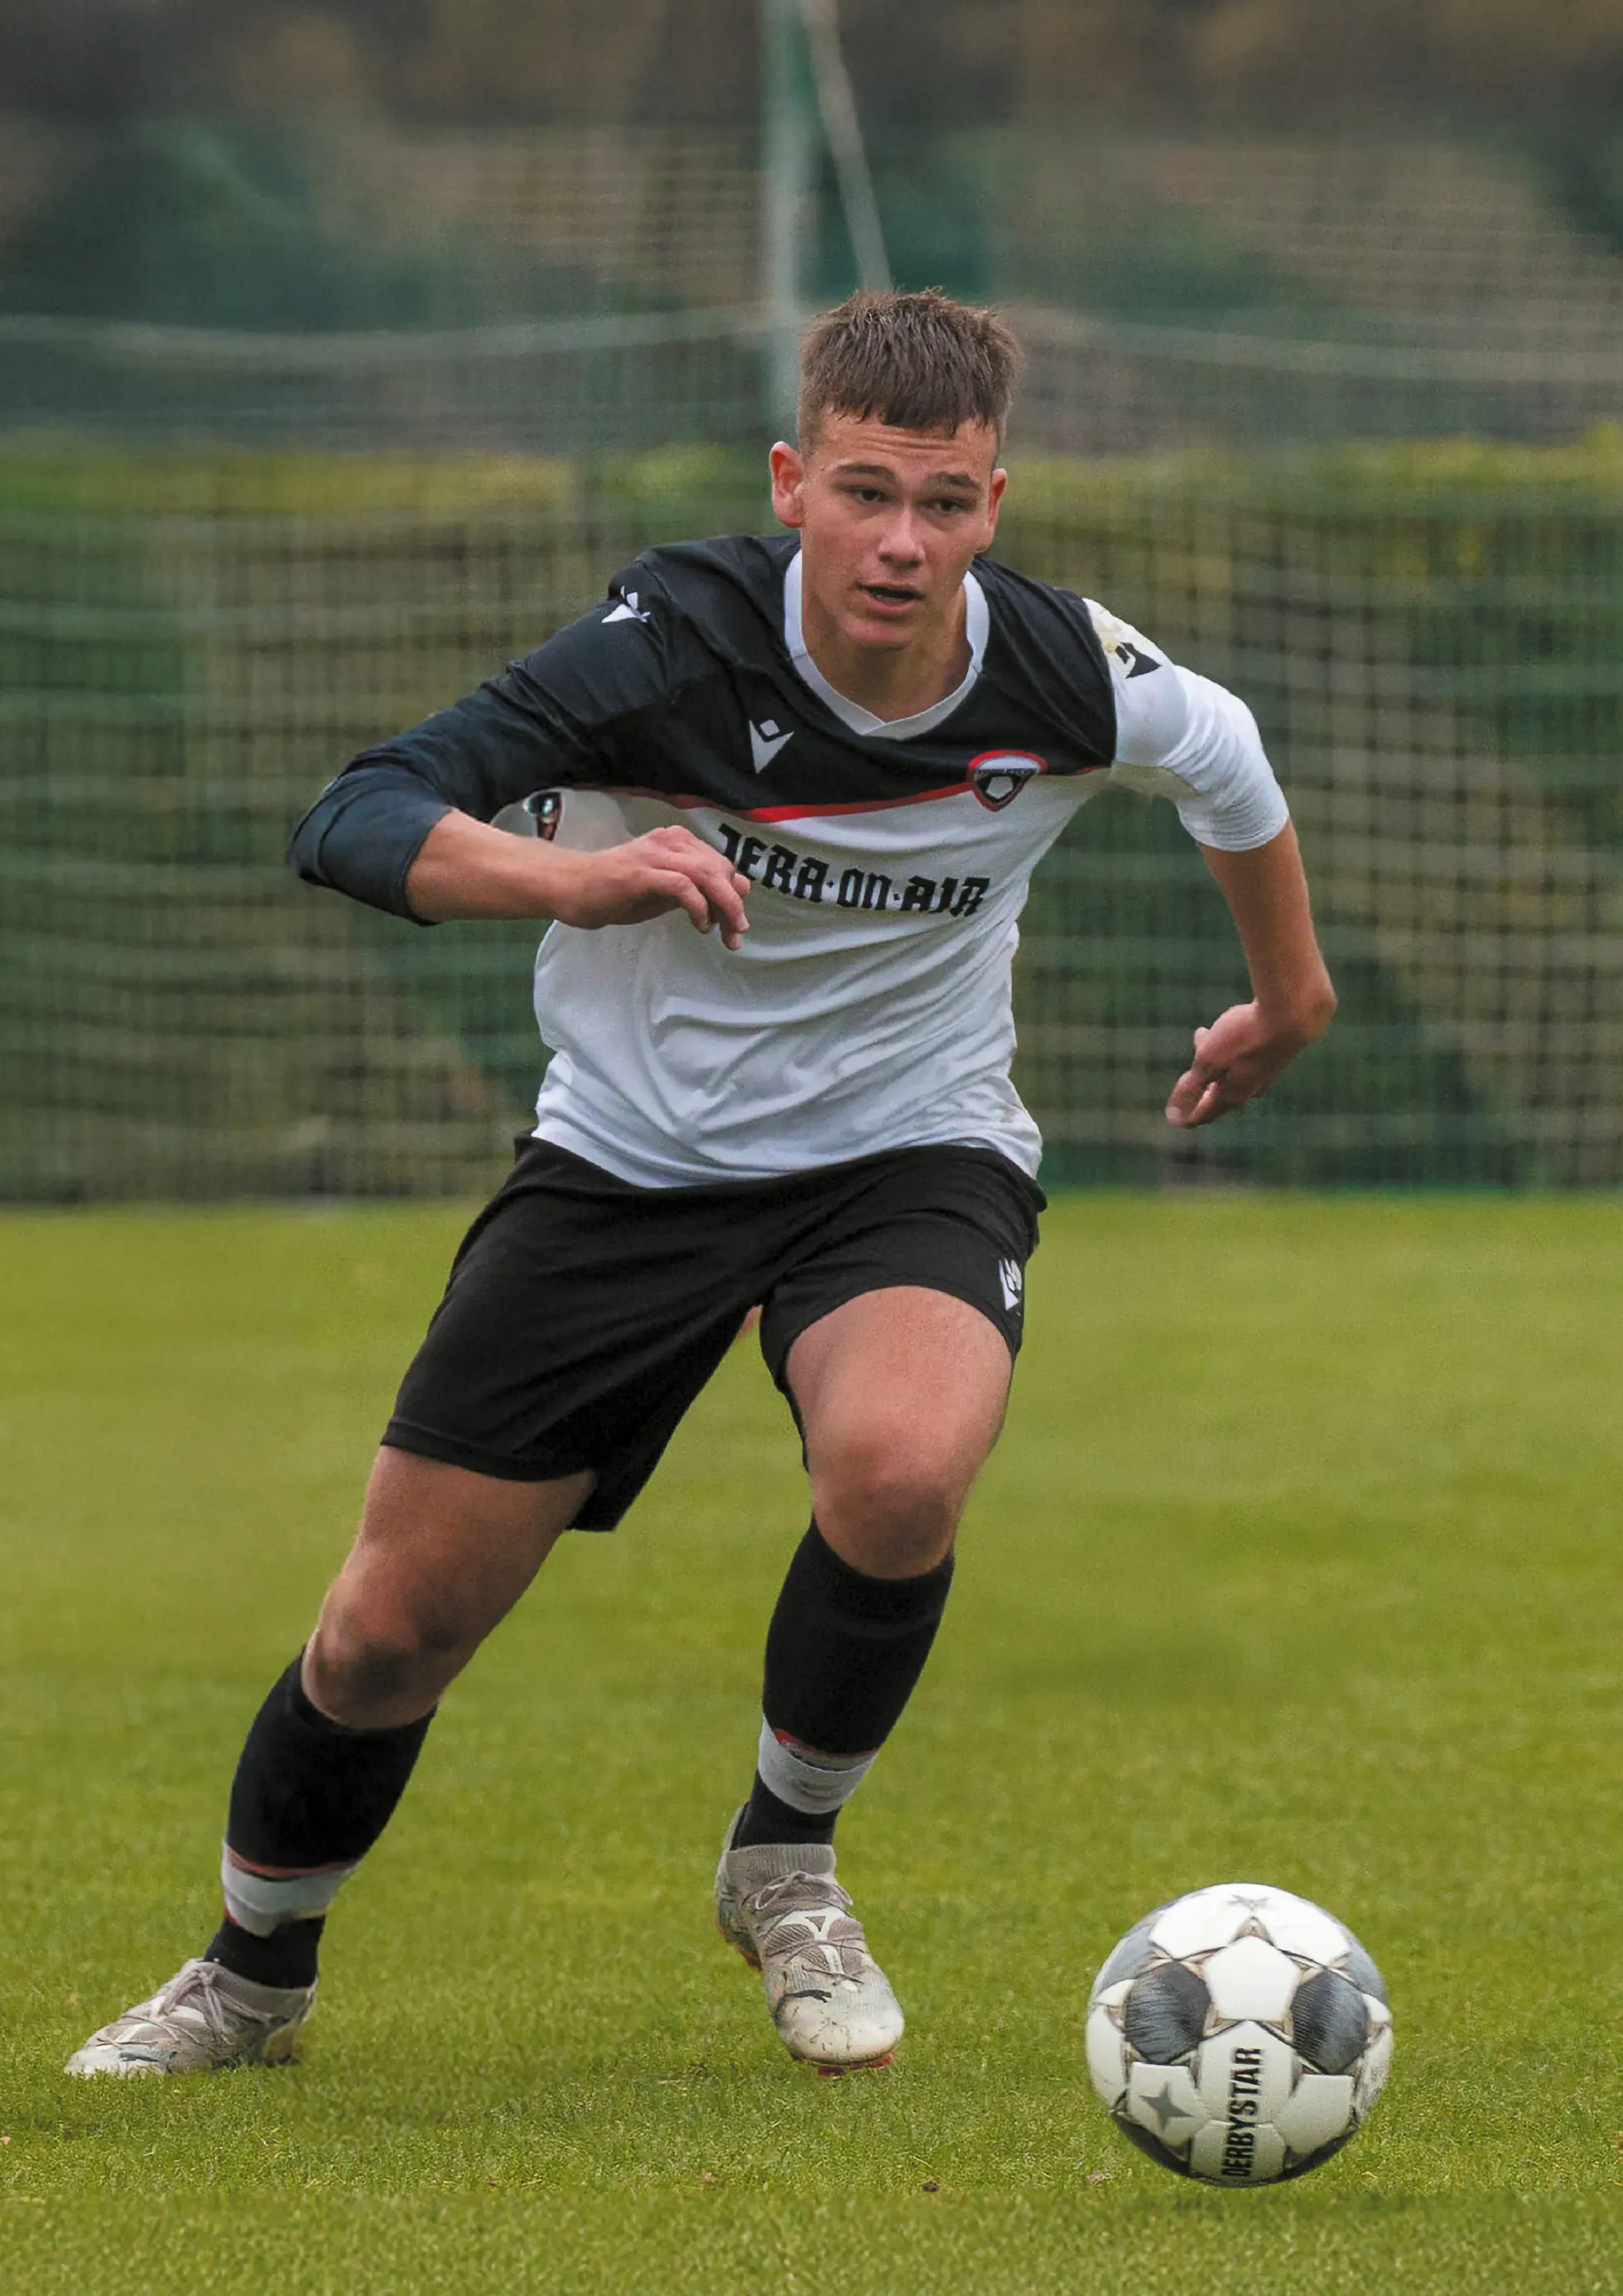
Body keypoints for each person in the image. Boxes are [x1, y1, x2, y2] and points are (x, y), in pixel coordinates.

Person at [68, 290, 1334, 2081]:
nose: (902, 544)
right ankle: (252, 1977)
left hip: (907, 1150)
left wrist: (1290, 999)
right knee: (385, 1634)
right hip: (626, 1165)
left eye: (946, 503)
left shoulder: (1065, 674)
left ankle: (784, 1861)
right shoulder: (665, 649)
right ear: (792, 483)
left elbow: (1229, 762)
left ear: (993, 505)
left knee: (902, 1470)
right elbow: (352, 815)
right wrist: (566, 877)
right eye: (865, 493)